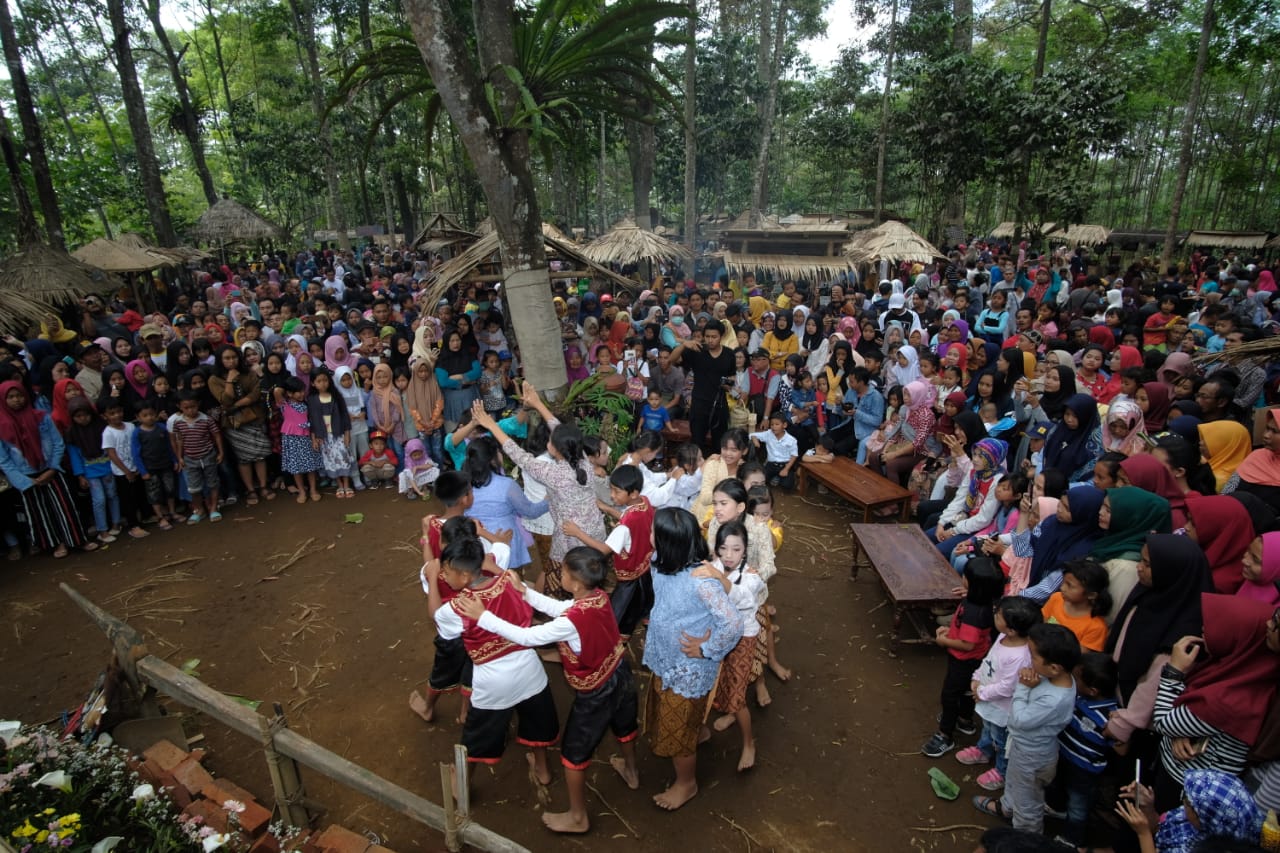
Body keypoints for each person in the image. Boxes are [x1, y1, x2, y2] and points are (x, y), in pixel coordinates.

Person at [454, 545, 639, 835]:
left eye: (564, 571)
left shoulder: (569, 622)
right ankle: (631, 769)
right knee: (623, 723)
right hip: (620, 674)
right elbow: (561, 608)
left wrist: (483, 616)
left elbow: (528, 637)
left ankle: (578, 817)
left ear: (576, 583)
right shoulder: (598, 597)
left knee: (574, 754)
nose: (560, 573)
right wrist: (525, 593)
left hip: (596, 692)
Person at [430, 536, 558, 792]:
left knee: (478, 734)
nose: (443, 576)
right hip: (530, 671)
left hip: (492, 682)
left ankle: (463, 783)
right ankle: (542, 770)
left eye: (445, 572)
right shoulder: (511, 582)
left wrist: (432, 580)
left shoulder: (457, 608)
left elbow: (438, 622)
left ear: (465, 575)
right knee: (538, 721)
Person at [641, 507, 742, 810]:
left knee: (679, 721)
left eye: (653, 532)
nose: (649, 536)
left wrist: (708, 648)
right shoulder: (658, 563)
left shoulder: (702, 580)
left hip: (688, 666)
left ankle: (687, 783)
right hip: (667, 656)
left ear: (667, 543)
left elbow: (733, 623)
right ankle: (698, 732)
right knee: (681, 713)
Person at [471, 387, 606, 599]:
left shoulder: (552, 473)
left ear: (555, 448)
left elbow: (517, 454)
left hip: (571, 540)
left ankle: (562, 615)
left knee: (565, 583)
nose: (548, 442)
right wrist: (538, 404)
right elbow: (561, 430)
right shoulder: (582, 460)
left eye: (551, 441)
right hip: (595, 533)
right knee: (590, 580)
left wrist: (489, 424)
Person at [1151, 594, 1280, 807]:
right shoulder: (1249, 675)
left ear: (1242, 638)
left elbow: (1163, 722)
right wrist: (1180, 728)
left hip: (1185, 789)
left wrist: (1173, 671)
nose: (1203, 629)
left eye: (1218, 627)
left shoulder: (1230, 699)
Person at [973, 623, 1080, 835]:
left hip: (1032, 757)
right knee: (1015, 783)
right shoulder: (1053, 677)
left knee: (1028, 802)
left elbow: (1018, 720)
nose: (1028, 660)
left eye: (1033, 655)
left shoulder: (1055, 700)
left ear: (1054, 667)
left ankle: (1025, 838)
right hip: (1024, 749)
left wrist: (1021, 686)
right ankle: (1007, 807)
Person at [957, 595, 1043, 792]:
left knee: (1002, 739)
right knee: (988, 728)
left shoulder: (1021, 656)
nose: (994, 615)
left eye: (998, 616)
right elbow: (990, 660)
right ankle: (984, 750)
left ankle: (1001, 772)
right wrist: (976, 677)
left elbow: (1008, 687)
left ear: (1012, 629)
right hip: (987, 697)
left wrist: (982, 691)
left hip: (1002, 708)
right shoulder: (1003, 638)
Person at [700, 520, 767, 771]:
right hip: (717, 636)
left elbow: (742, 598)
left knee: (737, 694)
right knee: (714, 683)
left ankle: (749, 743)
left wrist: (716, 575)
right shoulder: (713, 566)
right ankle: (706, 729)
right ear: (716, 548)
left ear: (745, 550)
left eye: (736, 549)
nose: (728, 555)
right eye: (724, 548)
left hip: (742, 638)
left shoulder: (752, 577)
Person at [922, 557, 1004, 758]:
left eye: (966, 576)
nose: (963, 577)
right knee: (967, 691)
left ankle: (945, 734)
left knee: (950, 694)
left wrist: (943, 641)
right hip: (976, 659)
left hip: (963, 660)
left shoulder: (974, 612)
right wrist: (949, 631)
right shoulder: (981, 602)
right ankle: (965, 720)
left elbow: (967, 644)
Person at [560, 464, 654, 639]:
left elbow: (603, 550)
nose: (612, 495)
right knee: (643, 600)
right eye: (611, 489)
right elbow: (630, 517)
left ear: (632, 493)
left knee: (619, 615)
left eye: (617, 492)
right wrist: (607, 508)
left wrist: (577, 532)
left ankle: (615, 642)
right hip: (644, 567)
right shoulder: (644, 503)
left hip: (629, 577)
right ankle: (645, 617)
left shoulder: (624, 528)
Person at [1054, 652, 1123, 851]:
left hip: (1085, 770)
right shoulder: (1080, 696)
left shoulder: (1111, 717)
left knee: (1078, 805)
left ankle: (1073, 840)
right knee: (1061, 787)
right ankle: (1058, 810)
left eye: (1076, 678)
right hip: (1065, 757)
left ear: (1092, 690)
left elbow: (1119, 747)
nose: (1072, 680)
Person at [1115, 769, 1268, 853]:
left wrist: (1143, 834)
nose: (1183, 802)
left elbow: (1150, 833)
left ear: (1204, 817)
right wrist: (1147, 806)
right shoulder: (1190, 817)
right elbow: (1159, 828)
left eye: (1187, 802)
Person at [461, 435, 546, 572]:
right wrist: (548, 500)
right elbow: (530, 511)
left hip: (475, 543)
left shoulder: (463, 484)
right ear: (492, 459)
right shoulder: (506, 485)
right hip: (506, 540)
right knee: (512, 584)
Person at [670, 323, 736, 453]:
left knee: (720, 443)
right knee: (697, 442)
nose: (710, 340)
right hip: (699, 404)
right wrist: (683, 345)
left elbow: (732, 376)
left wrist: (729, 383)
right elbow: (672, 360)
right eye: (707, 336)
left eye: (714, 337)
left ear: (721, 337)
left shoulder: (729, 354)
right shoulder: (696, 350)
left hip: (720, 404)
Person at [171, 390, 224, 525]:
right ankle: (199, 509)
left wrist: (220, 452)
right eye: (186, 408)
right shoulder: (178, 422)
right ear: (180, 407)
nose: (190, 410)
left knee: (213, 483)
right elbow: (179, 440)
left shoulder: (206, 419)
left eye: (193, 406)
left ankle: (213, 508)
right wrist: (180, 457)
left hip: (208, 455)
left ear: (198, 404)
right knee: (194, 488)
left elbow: (216, 435)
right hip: (190, 458)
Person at [1185, 495, 1255, 594]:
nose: (1186, 527)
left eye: (1193, 524)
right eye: (1187, 520)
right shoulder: (1202, 551)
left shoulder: (1216, 584)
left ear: (1219, 530)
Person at [100, 400, 149, 539]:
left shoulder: (130, 426)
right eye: (112, 413)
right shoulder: (108, 432)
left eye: (119, 412)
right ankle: (133, 525)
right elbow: (111, 454)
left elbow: (136, 447)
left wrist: (139, 466)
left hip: (136, 467)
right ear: (105, 416)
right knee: (128, 499)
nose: (117, 415)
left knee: (139, 494)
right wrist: (126, 471)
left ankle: (143, 519)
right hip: (122, 472)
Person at [1040, 559, 1111, 653]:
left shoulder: (1096, 627)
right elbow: (1041, 628)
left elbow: (1078, 656)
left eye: (1069, 585)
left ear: (1091, 595)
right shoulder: (1056, 598)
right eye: (1064, 582)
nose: (1062, 588)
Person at [274, 377, 322, 504]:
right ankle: (301, 490)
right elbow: (277, 391)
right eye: (298, 392)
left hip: (307, 439)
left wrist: (314, 439)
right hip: (291, 440)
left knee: (310, 466)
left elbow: (312, 424)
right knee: (296, 468)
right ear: (289, 393)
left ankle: (313, 489)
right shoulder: (285, 404)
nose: (301, 394)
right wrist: (287, 389)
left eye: (302, 391)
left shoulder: (307, 404)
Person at [1043, 394, 1103, 484]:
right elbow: (1043, 456)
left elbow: (1091, 479)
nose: (1069, 419)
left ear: (1086, 416)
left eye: (1075, 416)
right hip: (1045, 484)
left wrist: (1065, 489)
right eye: (1067, 414)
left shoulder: (1094, 443)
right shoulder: (1057, 430)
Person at [1197, 420, 1252, 493]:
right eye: (1202, 438)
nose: (1201, 443)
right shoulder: (1207, 462)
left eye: (1208, 440)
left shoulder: (1219, 481)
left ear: (1226, 445)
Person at [749, 412, 799, 491]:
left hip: (785, 465)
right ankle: (776, 477)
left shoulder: (791, 440)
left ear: (784, 425)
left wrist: (786, 469)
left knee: (787, 486)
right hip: (771, 464)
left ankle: (789, 476)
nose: (773, 427)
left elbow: (794, 455)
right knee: (760, 480)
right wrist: (755, 440)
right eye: (772, 424)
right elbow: (751, 434)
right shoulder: (768, 434)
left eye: (777, 424)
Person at [1239, 532, 1280, 606]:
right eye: (1248, 550)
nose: (1244, 561)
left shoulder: (1274, 613)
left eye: (1255, 560)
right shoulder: (1253, 581)